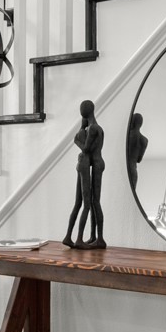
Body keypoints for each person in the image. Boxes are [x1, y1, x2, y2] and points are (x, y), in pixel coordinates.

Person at [64, 100, 106, 248]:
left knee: (95, 202)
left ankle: (99, 238)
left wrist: (76, 140)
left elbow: (86, 148)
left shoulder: (94, 128)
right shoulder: (92, 128)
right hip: (93, 164)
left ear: (85, 112)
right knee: (91, 202)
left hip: (97, 164)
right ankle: (94, 236)